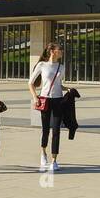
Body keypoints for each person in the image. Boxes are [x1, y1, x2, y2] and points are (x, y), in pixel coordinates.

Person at [28, 43, 69, 172]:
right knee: (45, 129)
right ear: (52, 51)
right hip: (44, 99)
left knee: (56, 130)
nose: (61, 52)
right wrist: (35, 97)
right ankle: (43, 152)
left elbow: (58, 84)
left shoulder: (61, 67)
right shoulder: (42, 65)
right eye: (59, 50)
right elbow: (30, 83)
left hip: (58, 100)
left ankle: (54, 160)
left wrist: (68, 89)